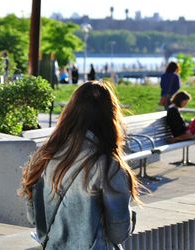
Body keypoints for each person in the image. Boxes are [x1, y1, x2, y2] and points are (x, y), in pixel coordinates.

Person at [20, 81, 139, 249]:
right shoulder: (107, 165)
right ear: (110, 117)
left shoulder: (43, 157)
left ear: (69, 113)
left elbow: (34, 218)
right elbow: (118, 233)